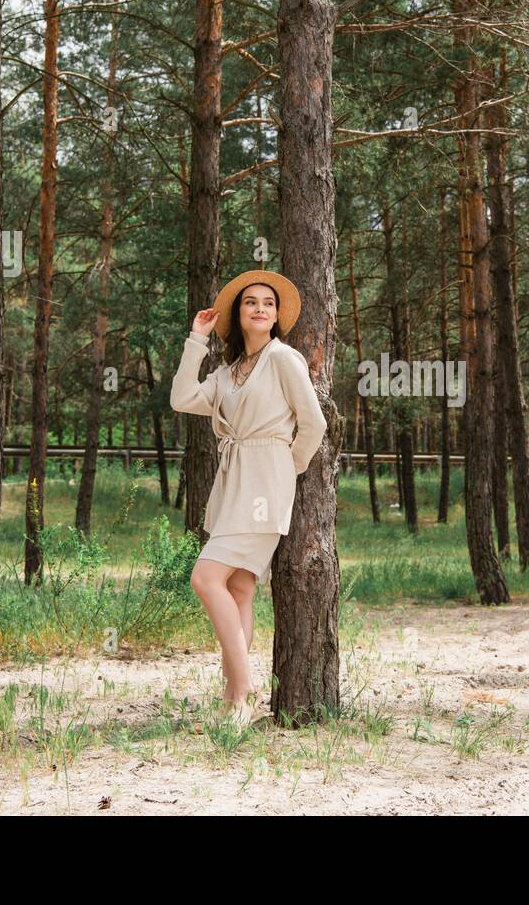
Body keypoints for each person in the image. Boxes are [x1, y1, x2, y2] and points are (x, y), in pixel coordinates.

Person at [170, 269, 326, 727]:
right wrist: (196, 340)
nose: (260, 308)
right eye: (250, 302)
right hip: (232, 482)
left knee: (205, 577)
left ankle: (248, 692)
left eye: (269, 303)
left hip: (267, 481)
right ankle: (233, 699)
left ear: (277, 316)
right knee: (238, 587)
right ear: (238, 315)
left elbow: (313, 423)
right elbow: (182, 398)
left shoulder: (284, 359)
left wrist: (286, 467)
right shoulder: (227, 373)